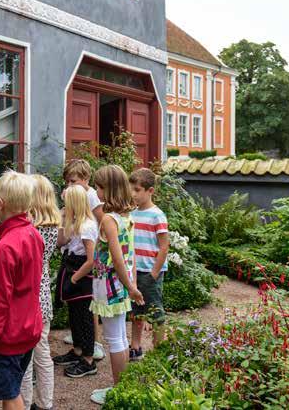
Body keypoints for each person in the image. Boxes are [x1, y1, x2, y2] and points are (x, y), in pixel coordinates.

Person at [0, 171, 43, 410]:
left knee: (11, 391)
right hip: (29, 326)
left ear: (1, 204)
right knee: (11, 390)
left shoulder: (6, 246)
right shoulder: (32, 233)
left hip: (9, 334)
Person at [89, 165, 145, 405]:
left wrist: (131, 287)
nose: (96, 191)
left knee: (114, 338)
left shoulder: (109, 220)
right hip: (121, 286)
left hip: (111, 287)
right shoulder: (126, 217)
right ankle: (122, 388)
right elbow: (130, 255)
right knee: (120, 336)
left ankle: (118, 390)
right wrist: (131, 284)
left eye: (98, 187)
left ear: (108, 190)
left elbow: (118, 258)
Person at [21, 174, 60, 410]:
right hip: (44, 291)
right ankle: (46, 403)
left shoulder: (31, 226)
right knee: (43, 352)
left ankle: (24, 403)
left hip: (30, 293)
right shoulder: (52, 224)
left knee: (26, 356)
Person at [62, 159, 106, 360]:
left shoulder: (91, 197)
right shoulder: (74, 195)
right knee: (77, 308)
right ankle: (80, 345)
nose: (70, 186)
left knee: (88, 306)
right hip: (78, 245)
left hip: (88, 248)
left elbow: (101, 220)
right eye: (68, 182)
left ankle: (93, 345)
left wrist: (99, 242)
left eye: (73, 181)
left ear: (85, 178)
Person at [52, 185, 98, 378]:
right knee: (74, 314)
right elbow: (60, 242)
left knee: (84, 317)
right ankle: (78, 350)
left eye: (66, 202)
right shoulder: (74, 222)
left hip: (81, 273)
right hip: (71, 265)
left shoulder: (87, 226)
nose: (64, 205)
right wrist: (62, 220)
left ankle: (89, 359)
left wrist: (74, 278)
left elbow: (91, 260)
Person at [128, 168, 169, 360]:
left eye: (137, 190)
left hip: (150, 271)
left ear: (150, 191)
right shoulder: (132, 214)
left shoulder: (157, 215)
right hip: (135, 272)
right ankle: (135, 346)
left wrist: (154, 273)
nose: (133, 194)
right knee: (136, 311)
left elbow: (164, 246)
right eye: (132, 189)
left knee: (155, 310)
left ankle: (159, 348)